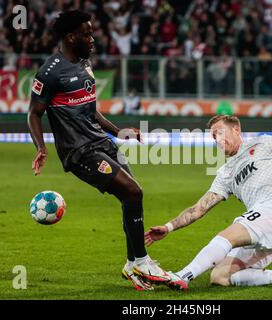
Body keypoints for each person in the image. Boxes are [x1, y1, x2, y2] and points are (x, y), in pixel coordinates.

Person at [27, 10, 170, 291]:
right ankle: (141, 260)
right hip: (78, 152)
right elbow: (33, 113)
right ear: (71, 37)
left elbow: (91, 111)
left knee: (131, 196)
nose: (93, 39)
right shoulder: (50, 72)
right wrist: (41, 147)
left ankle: (133, 265)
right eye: (87, 34)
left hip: (101, 143)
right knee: (133, 191)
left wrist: (120, 132)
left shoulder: (84, 63)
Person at [145, 115, 272, 290]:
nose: (217, 139)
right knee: (220, 276)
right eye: (213, 136)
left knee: (227, 236)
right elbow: (199, 209)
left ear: (236, 130)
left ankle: (183, 275)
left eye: (220, 133)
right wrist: (168, 227)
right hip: (262, 224)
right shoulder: (225, 173)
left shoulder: (264, 143)